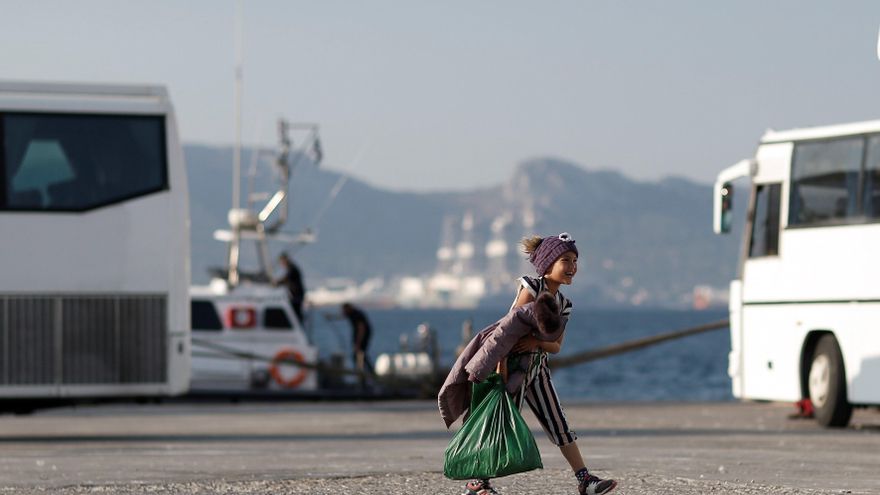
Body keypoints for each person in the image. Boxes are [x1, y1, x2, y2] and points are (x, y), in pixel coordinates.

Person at [438, 233, 617, 495]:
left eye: (575, 260)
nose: (572, 266)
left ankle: (585, 480)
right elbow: (508, 330)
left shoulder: (564, 304)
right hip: (510, 367)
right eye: (565, 260)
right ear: (547, 263)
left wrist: (535, 343)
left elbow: (555, 346)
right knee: (497, 422)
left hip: (537, 369)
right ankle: (478, 483)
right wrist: (500, 368)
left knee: (559, 423)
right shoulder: (531, 287)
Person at [341, 302, 374, 386]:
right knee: (361, 357)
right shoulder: (352, 314)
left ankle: (364, 378)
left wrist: (358, 343)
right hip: (361, 338)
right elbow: (343, 317)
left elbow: (361, 329)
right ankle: (366, 377)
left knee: (359, 356)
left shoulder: (356, 315)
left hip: (362, 338)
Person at [276, 253, 305, 323]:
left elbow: (287, 278)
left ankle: (298, 325)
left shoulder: (292, 268)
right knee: (296, 312)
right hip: (296, 294)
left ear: (285, 260)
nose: (281, 264)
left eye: (282, 261)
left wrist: (276, 283)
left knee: (296, 312)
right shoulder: (291, 267)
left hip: (297, 294)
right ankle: (298, 323)